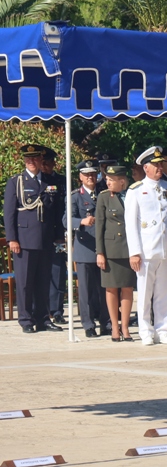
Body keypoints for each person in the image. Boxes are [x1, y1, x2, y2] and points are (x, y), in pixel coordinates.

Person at [4, 144, 63, 333]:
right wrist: (12, 239)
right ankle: (26, 319)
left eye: (35, 158)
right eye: (28, 159)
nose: (32, 162)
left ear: (40, 160)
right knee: (25, 283)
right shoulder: (17, 182)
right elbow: (9, 213)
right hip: (25, 240)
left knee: (43, 281)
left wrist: (59, 236)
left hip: (46, 239)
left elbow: (57, 211)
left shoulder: (49, 181)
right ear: (24, 161)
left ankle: (43, 318)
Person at [124, 146, 167, 346]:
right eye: (155, 165)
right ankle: (145, 331)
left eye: (161, 164)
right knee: (145, 293)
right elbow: (131, 223)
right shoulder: (136, 190)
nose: (160, 168)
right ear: (145, 167)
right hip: (146, 250)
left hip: (166, 248)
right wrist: (134, 252)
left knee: (164, 292)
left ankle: (162, 330)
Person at [66, 160, 111, 337]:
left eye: (93, 174)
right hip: (85, 248)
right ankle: (88, 324)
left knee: (105, 288)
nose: (90, 177)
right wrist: (81, 221)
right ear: (80, 177)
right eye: (86, 175)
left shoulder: (103, 193)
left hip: (104, 248)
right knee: (85, 291)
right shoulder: (75, 196)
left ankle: (106, 322)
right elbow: (66, 220)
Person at [95, 165, 136, 341]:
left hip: (129, 248)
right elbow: (99, 226)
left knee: (127, 288)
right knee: (111, 288)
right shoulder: (104, 197)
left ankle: (125, 327)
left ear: (122, 181)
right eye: (107, 179)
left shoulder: (132, 195)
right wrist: (100, 252)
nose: (108, 183)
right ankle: (114, 326)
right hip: (111, 248)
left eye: (111, 180)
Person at [40, 147, 68, 326]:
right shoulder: (36, 181)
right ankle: (41, 310)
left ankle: (57, 311)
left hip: (57, 232)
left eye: (47, 163)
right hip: (40, 233)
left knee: (58, 273)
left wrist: (62, 234)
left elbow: (63, 208)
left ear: (53, 163)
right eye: (42, 163)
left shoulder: (61, 181)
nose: (44, 166)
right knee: (40, 274)